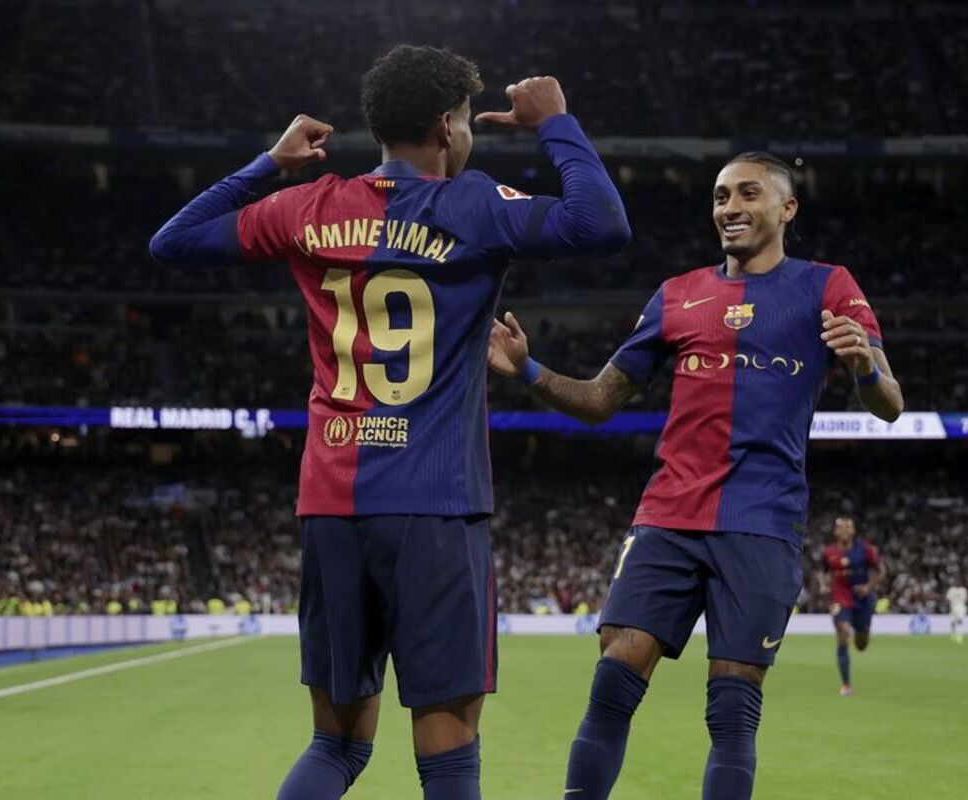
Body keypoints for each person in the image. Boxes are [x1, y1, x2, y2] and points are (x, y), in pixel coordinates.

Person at [150, 44, 630, 800]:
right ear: (445, 127)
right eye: (465, 120)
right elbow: (601, 223)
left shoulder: (308, 207)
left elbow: (171, 242)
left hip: (331, 502)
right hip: (435, 504)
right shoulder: (473, 206)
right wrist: (556, 124)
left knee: (335, 746)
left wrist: (271, 163)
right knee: (449, 754)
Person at [488, 151, 902, 799]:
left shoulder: (827, 286)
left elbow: (890, 405)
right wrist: (529, 371)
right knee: (612, 684)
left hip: (762, 522)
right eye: (719, 197)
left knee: (732, 712)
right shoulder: (677, 294)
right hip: (668, 515)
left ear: (787, 208)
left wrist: (865, 367)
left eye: (747, 194)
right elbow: (599, 400)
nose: (729, 207)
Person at [819, 516, 885, 696]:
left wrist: (868, 587)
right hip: (840, 597)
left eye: (848, 527)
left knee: (861, 644)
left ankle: (863, 632)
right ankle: (846, 685)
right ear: (836, 531)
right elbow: (823, 572)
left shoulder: (865, 549)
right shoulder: (829, 552)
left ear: (854, 531)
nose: (845, 530)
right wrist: (824, 585)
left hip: (862, 599)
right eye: (842, 527)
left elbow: (881, 570)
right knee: (843, 632)